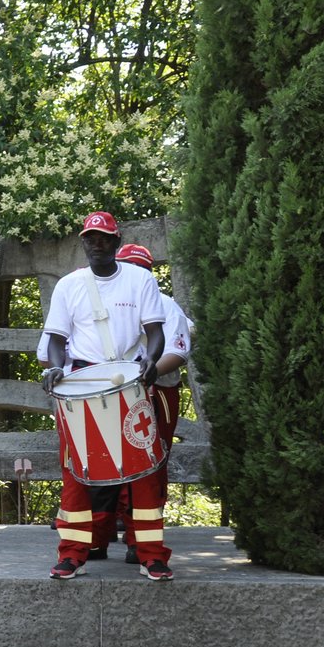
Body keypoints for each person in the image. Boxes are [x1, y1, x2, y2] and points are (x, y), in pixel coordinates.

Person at [41, 211, 172, 580]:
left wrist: (152, 359)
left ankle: (152, 555)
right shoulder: (69, 285)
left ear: (116, 242)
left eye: (104, 238)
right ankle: (71, 554)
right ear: (83, 243)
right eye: (90, 239)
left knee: (143, 470)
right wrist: (55, 368)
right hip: (82, 382)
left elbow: (155, 331)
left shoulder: (140, 279)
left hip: (130, 379)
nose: (96, 244)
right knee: (77, 471)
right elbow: (56, 339)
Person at [112, 242, 193, 564]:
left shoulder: (165, 304)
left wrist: (147, 374)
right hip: (115, 391)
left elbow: (178, 350)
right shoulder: (109, 302)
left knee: (151, 460)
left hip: (157, 389)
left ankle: (142, 533)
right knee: (112, 459)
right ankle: (108, 525)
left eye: (138, 269)